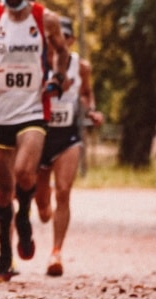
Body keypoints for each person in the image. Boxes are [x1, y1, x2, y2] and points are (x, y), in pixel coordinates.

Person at [0, 0, 70, 282]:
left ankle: (26, 215)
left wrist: (56, 78)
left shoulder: (46, 19)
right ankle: (5, 254)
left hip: (32, 110)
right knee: (3, 191)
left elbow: (62, 52)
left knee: (25, 172)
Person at [35, 18, 104, 276]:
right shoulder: (37, 63)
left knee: (63, 191)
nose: (56, 42)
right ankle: (42, 201)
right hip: (40, 136)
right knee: (43, 207)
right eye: (52, 37)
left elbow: (86, 93)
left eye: (62, 37)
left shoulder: (81, 66)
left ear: (70, 40)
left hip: (68, 136)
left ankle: (56, 253)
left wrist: (92, 111)